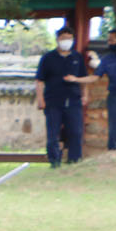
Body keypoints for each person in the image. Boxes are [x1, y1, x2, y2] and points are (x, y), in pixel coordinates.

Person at [35, 27, 91, 166]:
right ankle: (54, 161)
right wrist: (40, 99)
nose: (66, 42)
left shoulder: (77, 57)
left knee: (76, 131)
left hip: (73, 100)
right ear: (57, 40)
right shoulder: (48, 58)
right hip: (53, 100)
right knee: (53, 133)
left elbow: (84, 78)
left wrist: (85, 95)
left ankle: (74, 160)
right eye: (63, 39)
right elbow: (39, 80)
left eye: (69, 39)